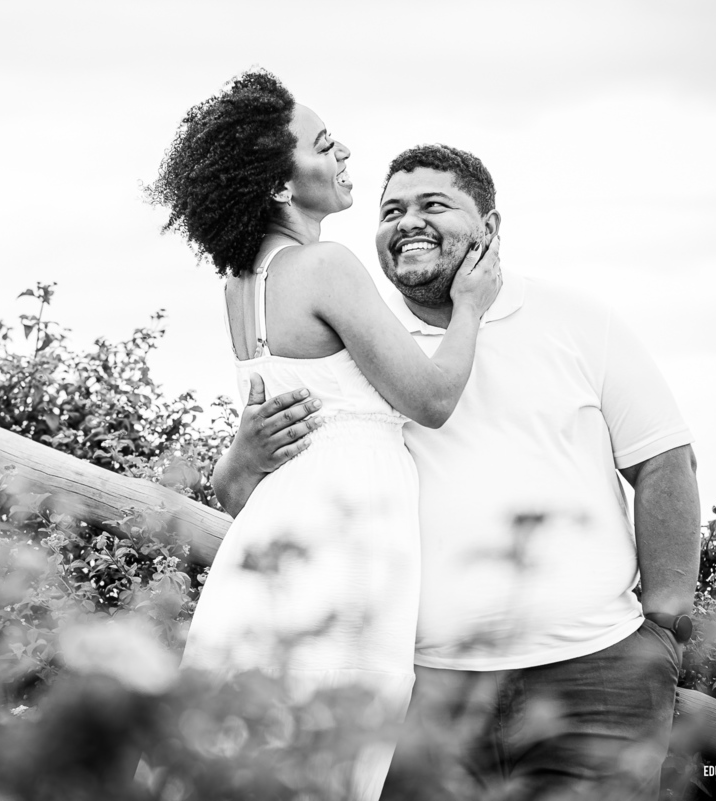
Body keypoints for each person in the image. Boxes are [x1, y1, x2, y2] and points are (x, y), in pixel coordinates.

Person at [213, 144, 701, 801]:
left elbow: (664, 457)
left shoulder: (577, 320)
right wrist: (241, 456)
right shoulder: (361, 349)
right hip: (426, 689)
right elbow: (271, 488)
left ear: (490, 229)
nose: (407, 220)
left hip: (595, 671)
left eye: (433, 205)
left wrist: (665, 616)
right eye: (391, 211)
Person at [146, 71, 501, 800]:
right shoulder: (325, 266)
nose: (343, 150)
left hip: (279, 534)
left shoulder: (241, 286)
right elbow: (432, 398)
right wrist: (469, 306)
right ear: (282, 184)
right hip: (344, 544)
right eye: (321, 142)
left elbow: (254, 459)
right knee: (327, 748)